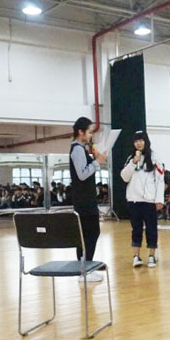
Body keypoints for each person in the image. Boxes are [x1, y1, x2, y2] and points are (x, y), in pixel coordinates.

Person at [70, 116, 107, 282]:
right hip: (84, 201)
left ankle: (85, 268)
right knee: (90, 233)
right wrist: (97, 162)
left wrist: (95, 158)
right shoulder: (77, 149)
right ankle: (85, 269)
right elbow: (83, 174)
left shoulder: (81, 149)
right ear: (81, 131)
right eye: (90, 132)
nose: (91, 135)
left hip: (85, 199)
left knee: (88, 233)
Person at [120, 130, 165, 268]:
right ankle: (136, 256)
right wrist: (133, 162)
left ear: (146, 141)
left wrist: (159, 199)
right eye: (136, 141)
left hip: (149, 201)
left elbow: (160, 180)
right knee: (136, 229)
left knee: (151, 229)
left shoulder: (155, 158)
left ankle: (151, 256)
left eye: (141, 140)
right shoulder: (130, 158)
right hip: (134, 200)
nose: (138, 143)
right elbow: (124, 177)